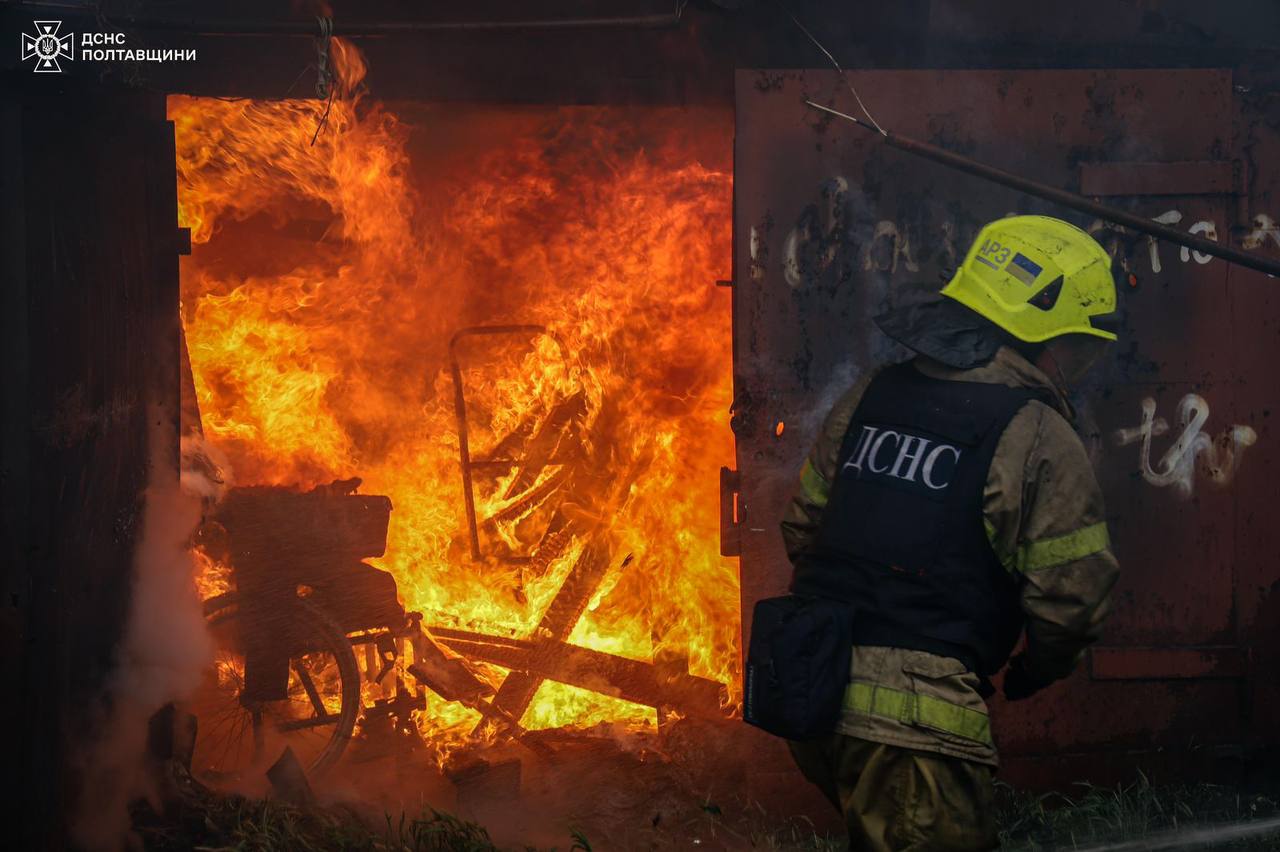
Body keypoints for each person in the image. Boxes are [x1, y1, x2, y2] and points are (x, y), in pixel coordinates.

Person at [781, 215, 1122, 851]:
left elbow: (802, 527)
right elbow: (1072, 599)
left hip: (811, 692)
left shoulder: (873, 394)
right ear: (1042, 334)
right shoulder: (1038, 432)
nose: (1073, 365)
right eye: (1076, 346)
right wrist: (1037, 669)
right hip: (914, 724)